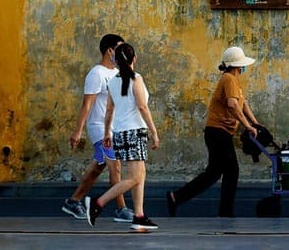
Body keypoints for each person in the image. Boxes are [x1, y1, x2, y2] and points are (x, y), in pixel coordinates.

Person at [166, 45, 262, 218]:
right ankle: (225, 212)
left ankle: (177, 197)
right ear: (238, 65)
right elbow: (233, 104)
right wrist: (247, 126)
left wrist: (255, 123)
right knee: (231, 171)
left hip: (218, 133)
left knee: (215, 173)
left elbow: (242, 102)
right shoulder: (229, 79)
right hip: (218, 132)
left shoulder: (232, 80)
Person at [87, 41, 161, 232]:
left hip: (120, 132)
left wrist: (106, 133)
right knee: (135, 177)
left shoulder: (112, 81)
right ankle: (98, 202)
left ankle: (139, 216)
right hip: (135, 131)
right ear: (134, 58)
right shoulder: (137, 78)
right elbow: (143, 107)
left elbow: (109, 110)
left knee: (140, 176)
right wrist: (154, 132)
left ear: (116, 60)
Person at [61, 33, 126, 222]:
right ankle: (122, 209)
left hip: (113, 127)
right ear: (110, 51)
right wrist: (78, 131)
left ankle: (73, 201)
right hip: (98, 127)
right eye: (119, 49)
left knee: (99, 165)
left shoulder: (116, 73)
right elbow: (86, 104)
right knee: (115, 164)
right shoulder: (96, 74)